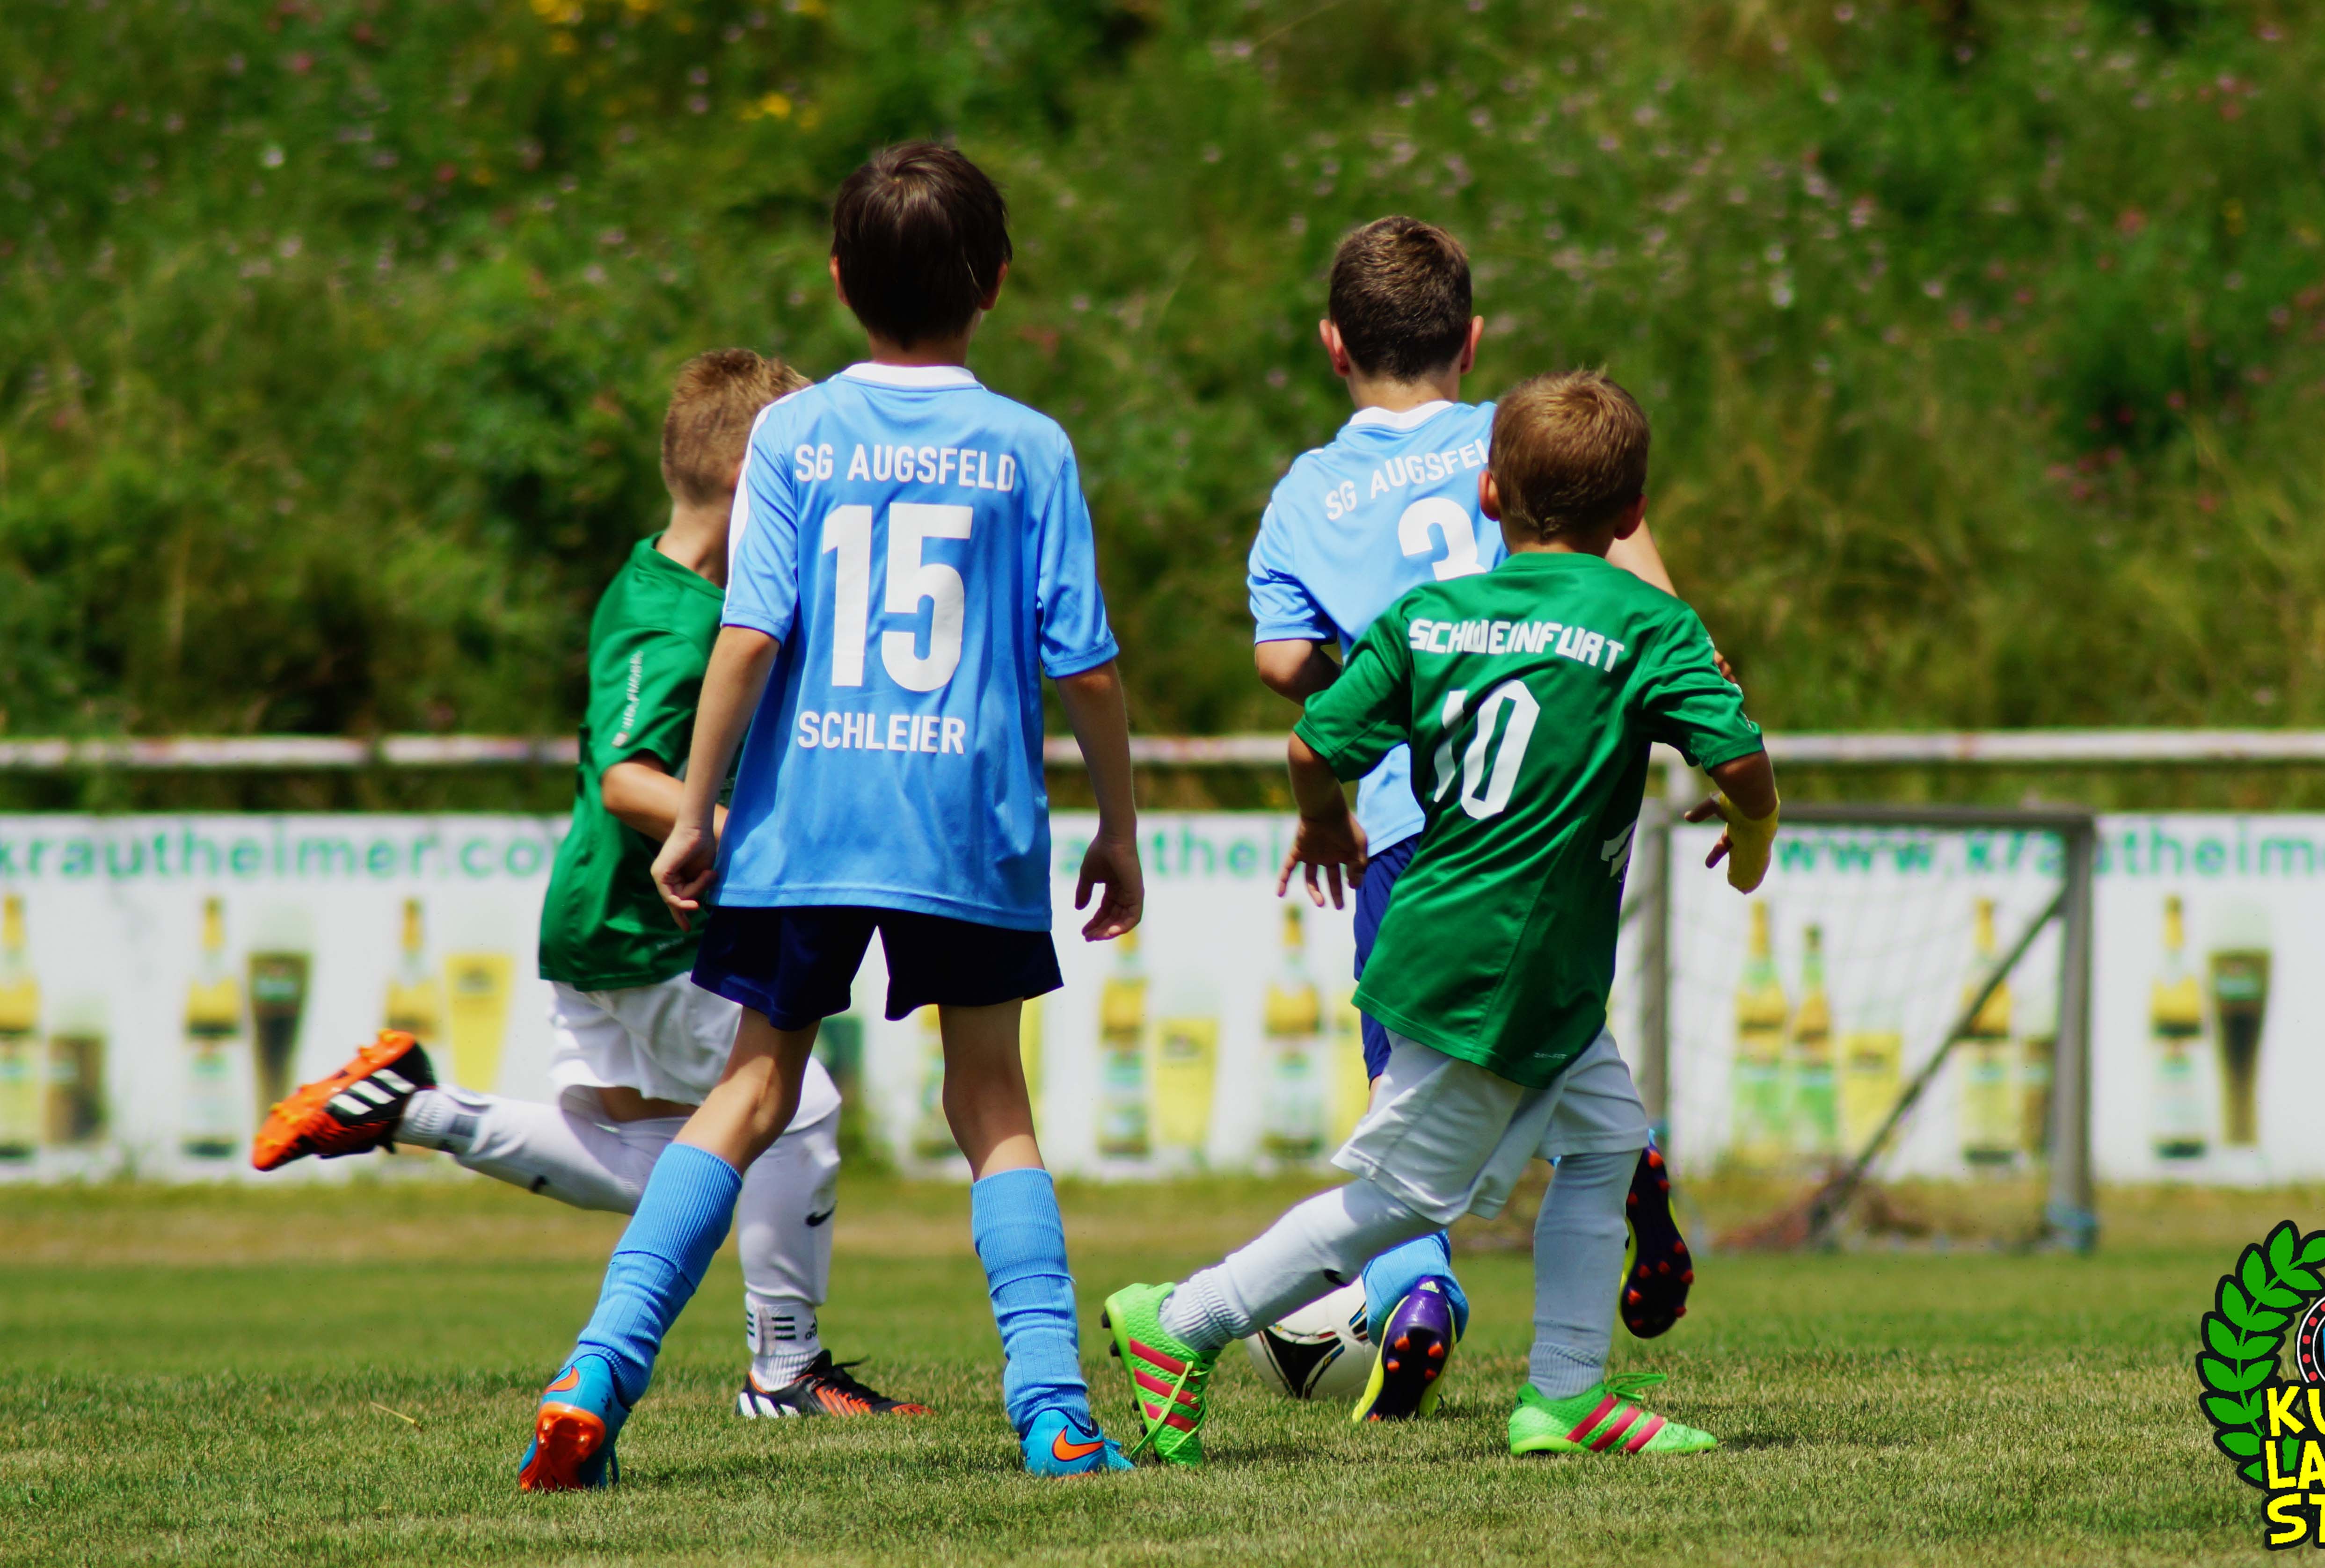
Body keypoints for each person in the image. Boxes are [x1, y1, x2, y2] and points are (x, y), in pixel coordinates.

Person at [514, 140, 1146, 1488]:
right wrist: (1118, 826)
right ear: (997, 280)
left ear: (842, 280)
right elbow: (1085, 666)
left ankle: (596, 1372)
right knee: (991, 1100)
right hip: (967, 821)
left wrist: (697, 810)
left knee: (750, 1089)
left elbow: (748, 636)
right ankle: (1053, 1410)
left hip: (805, 819)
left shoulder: (793, 437)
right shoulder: (1031, 446)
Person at [1105, 370, 1777, 1465]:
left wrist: (1324, 821)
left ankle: (1565, 1396)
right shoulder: (1648, 623)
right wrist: (1754, 834)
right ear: (1632, 513)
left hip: (1493, 954)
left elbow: (1311, 740)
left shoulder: (1426, 618)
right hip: (1500, 971)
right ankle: (1183, 1320)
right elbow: (1741, 763)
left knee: (1606, 1142)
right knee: (1398, 1202)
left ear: (1490, 494)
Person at [252, 350, 925, 1421]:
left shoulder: (657, 578)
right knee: (791, 1108)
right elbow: (626, 778)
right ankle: (785, 1369)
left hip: (596, 920)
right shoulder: (679, 618)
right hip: (650, 927)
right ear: (754, 476)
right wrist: (749, 840)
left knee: (662, 1156)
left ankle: (411, 1104)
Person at [1241, 218, 1696, 1420]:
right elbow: (1651, 599)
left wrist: (1383, 697)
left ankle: (1413, 1291)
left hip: (1414, 814)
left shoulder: (1304, 494)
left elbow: (1284, 662)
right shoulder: (1535, 439)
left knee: (1406, 1085)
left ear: (1333, 344)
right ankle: (1621, 1167)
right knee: (1540, 1031)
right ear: (1473, 338)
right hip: (1557, 808)